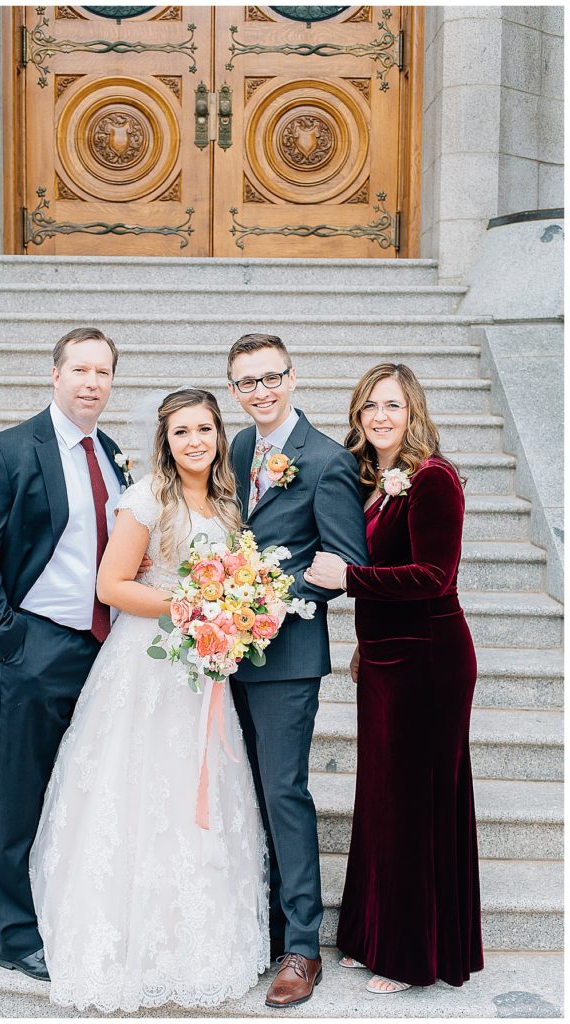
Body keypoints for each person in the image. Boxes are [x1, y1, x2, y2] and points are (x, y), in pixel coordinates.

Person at [28, 389, 268, 1012]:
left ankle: (198, 939)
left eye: (205, 430)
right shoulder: (145, 500)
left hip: (202, 666)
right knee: (139, 791)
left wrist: (230, 610)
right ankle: (127, 936)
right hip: (146, 667)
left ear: (219, 436)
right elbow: (112, 585)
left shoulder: (224, 502)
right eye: (181, 431)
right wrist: (195, 605)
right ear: (165, 441)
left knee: (199, 788)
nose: (195, 441)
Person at [0, 327, 132, 982]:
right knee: (19, 793)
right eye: (79, 368)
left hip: (101, 651)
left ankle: (64, 908)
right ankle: (15, 933)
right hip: (33, 647)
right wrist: (13, 642)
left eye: (102, 372)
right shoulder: (6, 450)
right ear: (54, 374)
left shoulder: (111, 454)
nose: (91, 382)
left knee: (79, 791)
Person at [305, 363, 484, 993]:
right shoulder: (377, 482)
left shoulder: (433, 479)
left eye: (394, 406)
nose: (381, 416)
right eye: (370, 406)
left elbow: (435, 576)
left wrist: (347, 581)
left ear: (414, 413)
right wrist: (362, 642)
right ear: (358, 415)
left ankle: (413, 956)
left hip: (429, 662)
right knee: (381, 802)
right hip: (385, 659)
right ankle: (371, 934)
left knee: (415, 805)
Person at [226, 334, 368, 1008]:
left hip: (284, 657)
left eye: (269, 378)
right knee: (243, 793)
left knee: (283, 791)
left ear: (291, 377)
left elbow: (342, 564)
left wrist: (273, 603)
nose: (259, 391)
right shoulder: (233, 449)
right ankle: (260, 925)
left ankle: (302, 947)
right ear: (233, 390)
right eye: (245, 383)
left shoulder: (327, 460)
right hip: (222, 650)